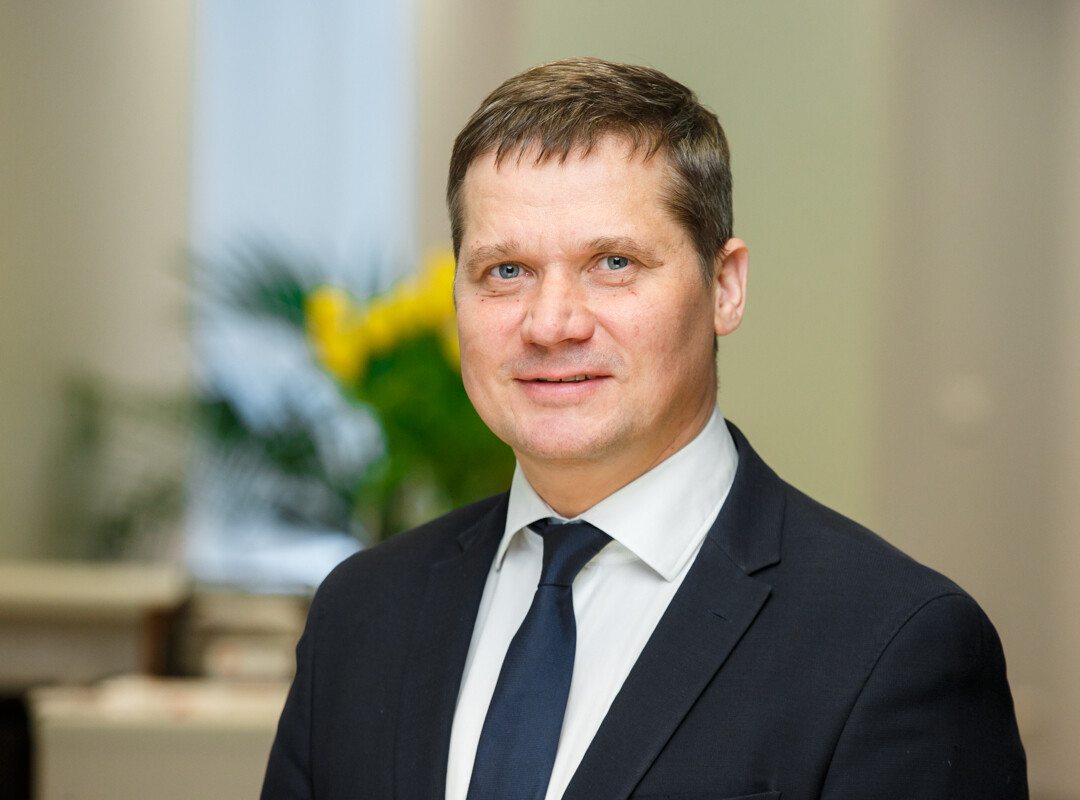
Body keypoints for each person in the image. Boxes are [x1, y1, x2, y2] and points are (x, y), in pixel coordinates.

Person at [261, 58, 1027, 800]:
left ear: (724, 287)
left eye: (614, 262)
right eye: (506, 271)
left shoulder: (894, 642)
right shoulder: (360, 613)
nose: (551, 323)